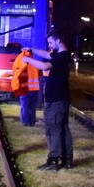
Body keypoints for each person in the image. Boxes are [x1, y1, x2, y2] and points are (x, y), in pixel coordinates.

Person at [22, 31, 74, 170]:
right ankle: (67, 160)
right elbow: (46, 55)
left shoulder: (61, 57)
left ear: (58, 41)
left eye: (51, 43)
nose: (49, 46)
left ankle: (53, 160)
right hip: (61, 99)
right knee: (63, 129)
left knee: (53, 130)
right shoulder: (63, 55)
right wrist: (32, 50)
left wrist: (28, 60)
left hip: (55, 100)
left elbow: (45, 66)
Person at [12, 46, 41, 126]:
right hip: (35, 89)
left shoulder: (23, 63)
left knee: (25, 107)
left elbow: (16, 71)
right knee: (32, 107)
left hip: (25, 89)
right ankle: (32, 122)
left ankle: (25, 122)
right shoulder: (35, 63)